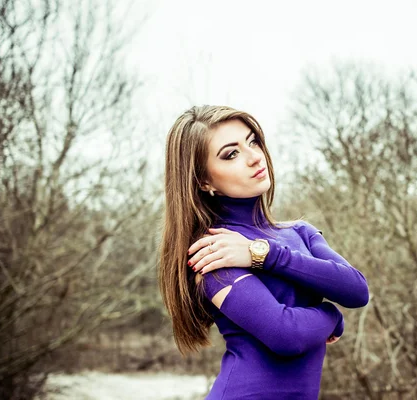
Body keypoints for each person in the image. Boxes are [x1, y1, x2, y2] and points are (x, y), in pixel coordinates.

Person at [158, 105, 369, 399]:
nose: (255, 157)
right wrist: (331, 314)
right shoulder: (215, 250)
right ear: (203, 181)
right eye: (231, 154)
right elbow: (285, 335)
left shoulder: (299, 234)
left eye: (253, 141)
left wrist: (264, 254)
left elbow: (357, 290)